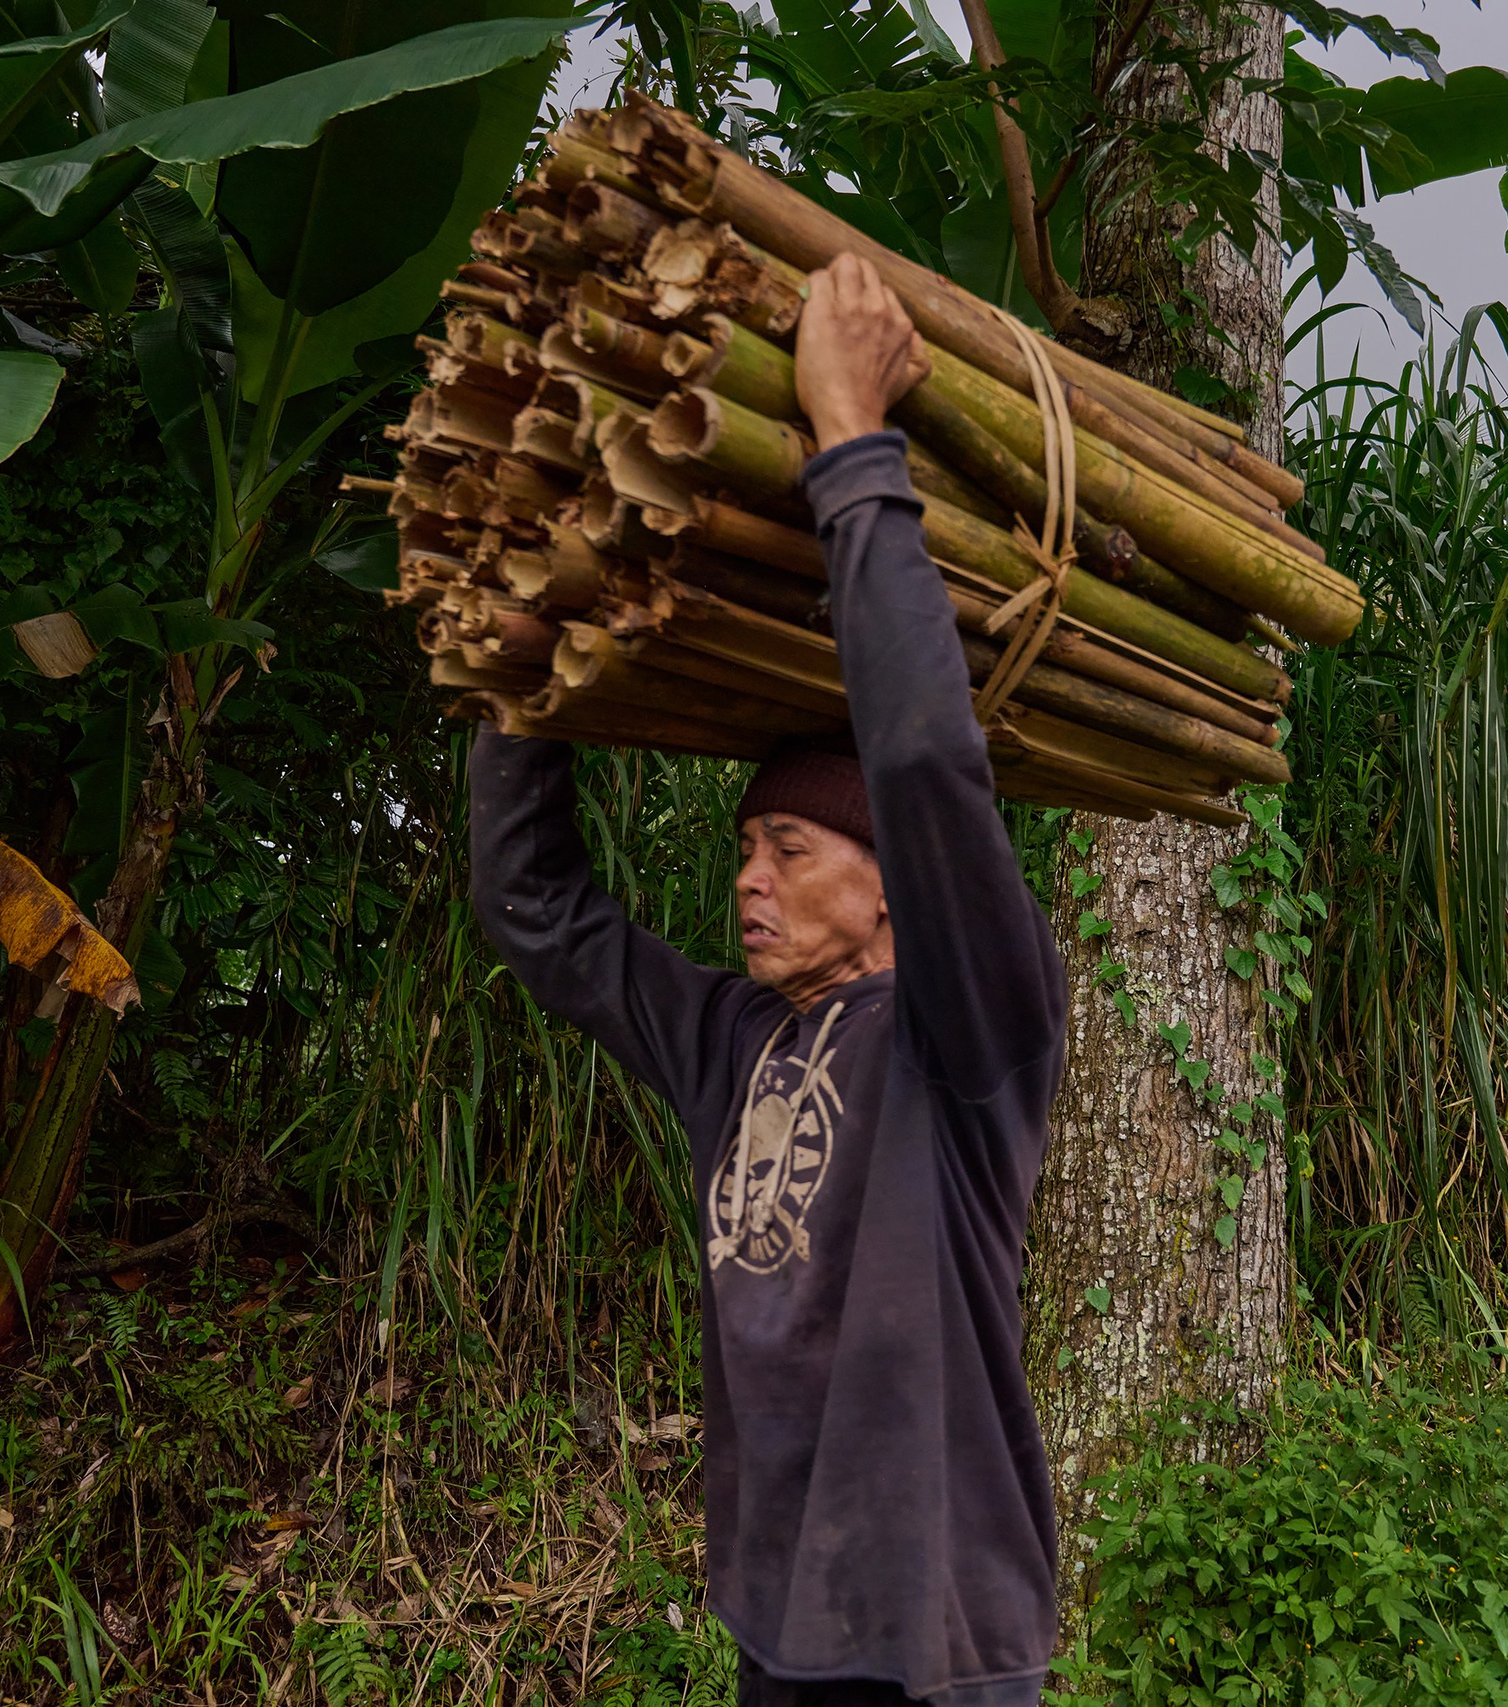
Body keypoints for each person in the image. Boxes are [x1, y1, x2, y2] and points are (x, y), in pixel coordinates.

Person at [467, 254, 1066, 1707]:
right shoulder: (729, 1039)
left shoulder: (965, 1039)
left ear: (888, 882)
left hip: (938, 1637)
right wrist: (529, 665)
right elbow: (534, 911)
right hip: (777, 1614)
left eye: (789, 847)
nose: (748, 878)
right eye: (744, 846)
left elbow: (924, 761)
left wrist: (852, 437)